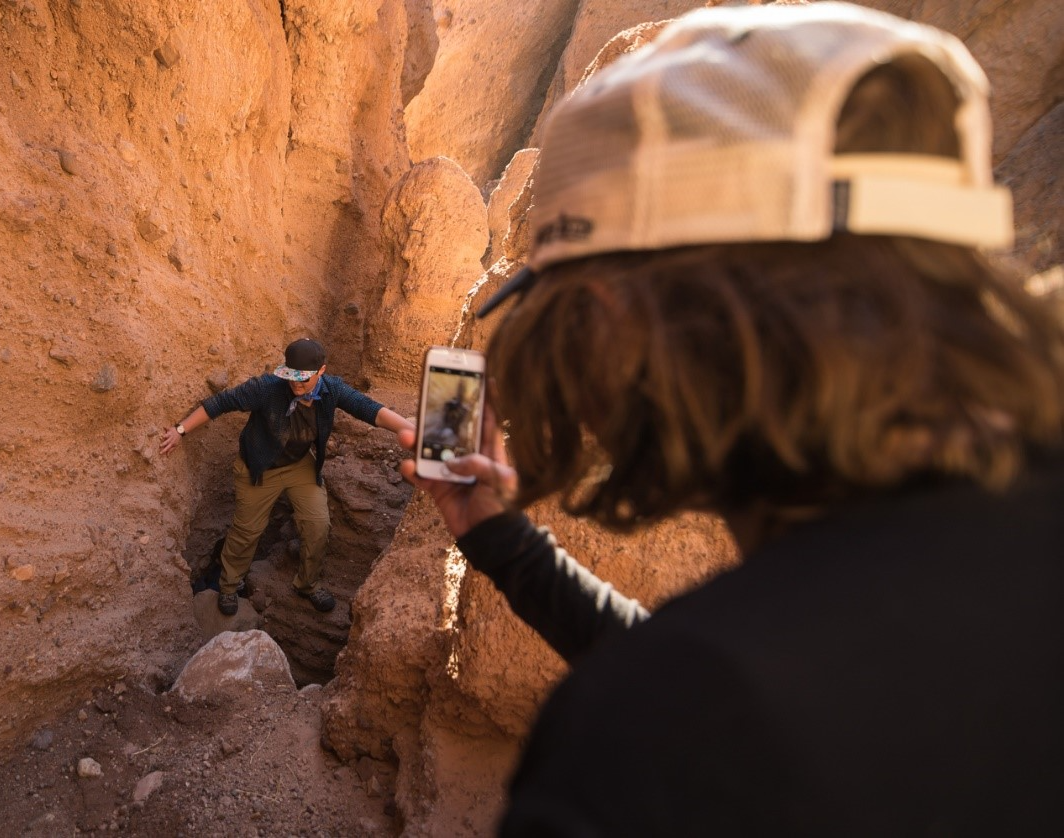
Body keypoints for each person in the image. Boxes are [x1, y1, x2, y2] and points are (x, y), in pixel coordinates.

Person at [401, 3, 1063, 835]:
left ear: (614, 319)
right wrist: (500, 540)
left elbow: (733, 713)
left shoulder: (653, 750)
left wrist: (645, 705)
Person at [162, 338, 414, 615]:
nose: (296, 385)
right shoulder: (267, 388)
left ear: (321, 372)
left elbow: (369, 410)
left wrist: (409, 431)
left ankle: (307, 584)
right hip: (258, 467)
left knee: (318, 525)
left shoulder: (332, 390)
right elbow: (221, 403)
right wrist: (180, 430)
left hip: (299, 465)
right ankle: (230, 586)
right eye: (291, 377)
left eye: (303, 380)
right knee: (247, 531)